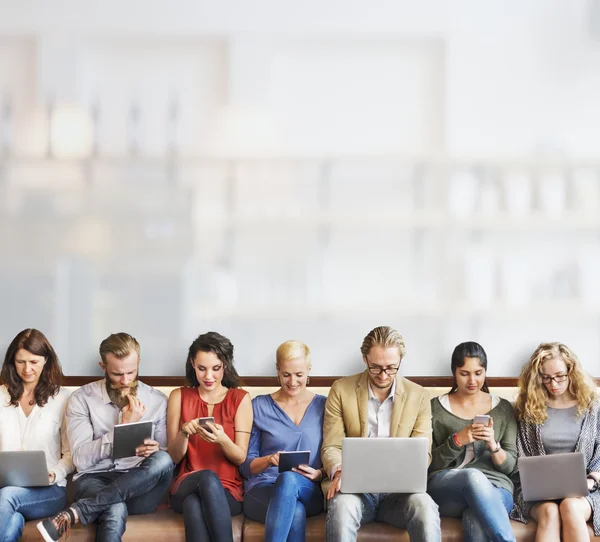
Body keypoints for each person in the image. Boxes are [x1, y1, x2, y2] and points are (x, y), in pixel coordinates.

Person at [37, 332, 174, 542]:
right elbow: (80, 459)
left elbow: (164, 454)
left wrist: (155, 450)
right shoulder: (82, 399)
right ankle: (91, 506)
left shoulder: (157, 401)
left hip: (139, 485)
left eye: (131, 371)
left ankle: (75, 512)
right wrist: (123, 428)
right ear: (103, 367)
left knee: (164, 460)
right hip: (94, 480)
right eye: (117, 374)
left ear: (138, 361)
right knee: (115, 506)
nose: (126, 380)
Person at [322, 325, 441, 542]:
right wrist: (340, 470)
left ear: (400, 361)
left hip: (400, 494)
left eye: (391, 368)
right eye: (376, 367)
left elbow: (424, 453)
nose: (383, 375)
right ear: (365, 358)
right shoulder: (341, 390)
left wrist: (408, 471)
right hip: (355, 491)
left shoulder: (419, 396)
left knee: (425, 506)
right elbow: (331, 446)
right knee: (341, 508)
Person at [167, 331, 253, 542]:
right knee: (205, 477)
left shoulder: (240, 399)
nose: (208, 377)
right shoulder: (179, 396)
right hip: (185, 484)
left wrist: (223, 440)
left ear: (225, 365)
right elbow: (174, 457)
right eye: (202, 369)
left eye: (216, 369)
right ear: (192, 364)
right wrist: (185, 432)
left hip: (228, 491)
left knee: (194, 504)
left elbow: (240, 457)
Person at [427, 341, 517, 542]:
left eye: (478, 373)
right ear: (454, 372)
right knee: (473, 476)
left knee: (475, 517)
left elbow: (511, 467)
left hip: (496, 489)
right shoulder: (435, 408)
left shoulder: (503, 409)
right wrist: (459, 440)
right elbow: (428, 463)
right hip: (447, 487)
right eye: (464, 373)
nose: (472, 380)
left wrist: (494, 446)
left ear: (485, 372)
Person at [510, 342, 600, 540]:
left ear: (571, 371)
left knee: (570, 505)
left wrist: (591, 480)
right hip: (538, 494)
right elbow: (521, 456)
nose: (554, 384)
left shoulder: (592, 406)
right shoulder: (529, 409)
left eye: (560, 376)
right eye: (546, 378)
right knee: (550, 511)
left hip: (588, 491)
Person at [240, 340, 327, 542]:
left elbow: (334, 451)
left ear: (309, 371)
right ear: (278, 371)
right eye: (286, 374)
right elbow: (245, 466)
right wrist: (269, 459)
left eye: (299, 375)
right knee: (295, 512)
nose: (292, 381)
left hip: (308, 490)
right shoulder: (259, 406)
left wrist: (320, 473)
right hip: (262, 490)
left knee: (289, 479)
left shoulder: (324, 406)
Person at [0, 329, 73, 542]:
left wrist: (54, 473)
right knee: (11, 519)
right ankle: (14, 521)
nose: (27, 369)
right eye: (20, 362)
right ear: (12, 362)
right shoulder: (0, 395)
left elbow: (71, 454)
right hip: (5, 488)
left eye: (33, 361)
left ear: (46, 360)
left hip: (48, 491)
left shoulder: (63, 398)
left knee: (7, 497)